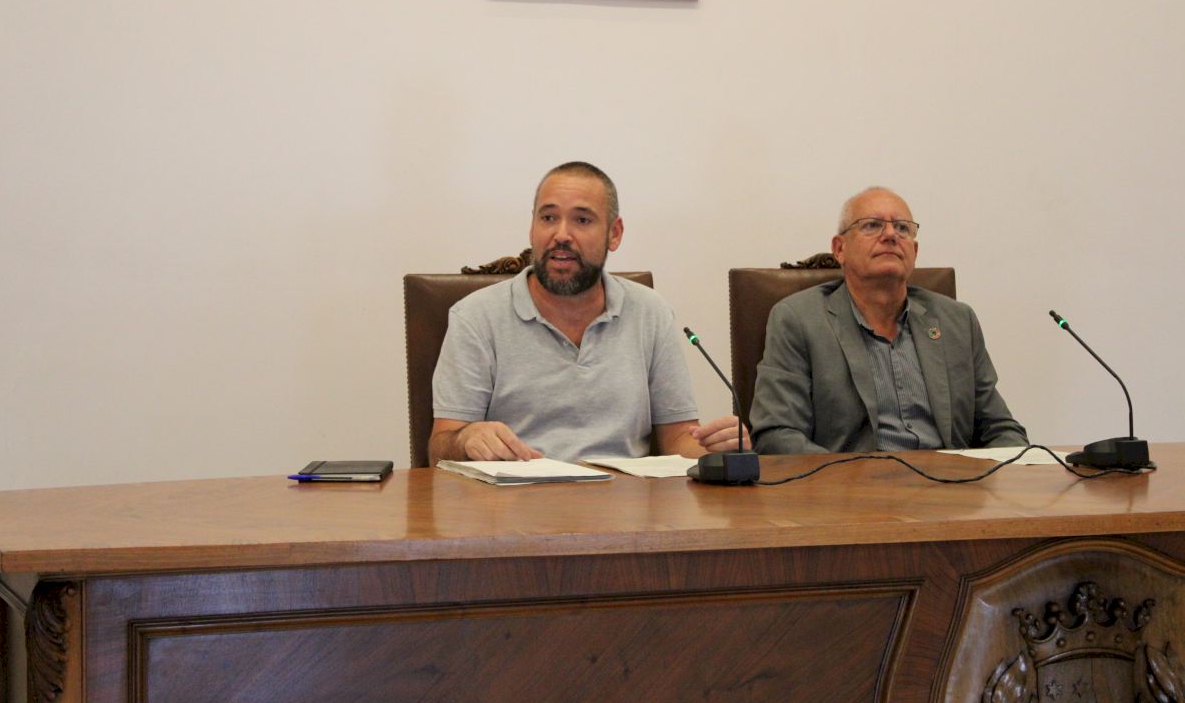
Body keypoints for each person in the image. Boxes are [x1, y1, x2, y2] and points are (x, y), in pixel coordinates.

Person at [429, 161, 743, 464]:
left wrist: (719, 451)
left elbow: (677, 439)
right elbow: (438, 453)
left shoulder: (650, 312)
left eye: (582, 220)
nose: (561, 235)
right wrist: (466, 439)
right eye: (548, 218)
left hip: (625, 496)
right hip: (520, 496)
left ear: (614, 233)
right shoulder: (476, 317)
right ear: (532, 227)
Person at [750, 186, 1027, 455]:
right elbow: (777, 434)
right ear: (840, 249)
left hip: (950, 480)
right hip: (852, 482)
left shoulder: (957, 321)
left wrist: (1019, 466)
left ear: (914, 252)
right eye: (872, 225)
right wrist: (846, 479)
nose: (891, 235)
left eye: (903, 228)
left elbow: (999, 428)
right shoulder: (799, 320)